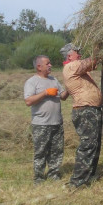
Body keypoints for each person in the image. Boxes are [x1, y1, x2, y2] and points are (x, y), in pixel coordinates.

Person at [61, 43, 103, 189]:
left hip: (90, 110)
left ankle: (89, 176)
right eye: (76, 52)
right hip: (85, 111)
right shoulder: (71, 66)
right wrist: (98, 46)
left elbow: (92, 63)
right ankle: (77, 181)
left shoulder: (75, 67)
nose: (79, 54)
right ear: (69, 56)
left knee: (94, 143)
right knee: (88, 144)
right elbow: (93, 60)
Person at [23, 55, 69, 184]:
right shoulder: (32, 82)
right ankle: (39, 177)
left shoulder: (54, 80)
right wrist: (45, 93)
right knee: (41, 151)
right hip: (41, 124)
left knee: (57, 151)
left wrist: (70, 87)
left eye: (50, 63)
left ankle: (54, 174)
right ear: (39, 67)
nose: (50, 65)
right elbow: (28, 101)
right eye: (47, 63)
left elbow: (63, 96)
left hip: (57, 122)